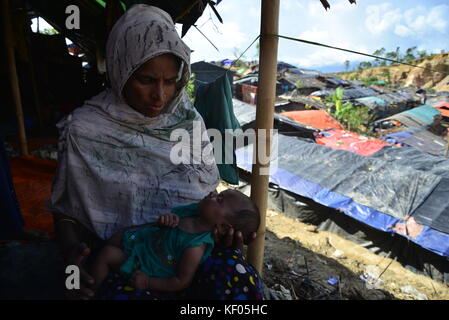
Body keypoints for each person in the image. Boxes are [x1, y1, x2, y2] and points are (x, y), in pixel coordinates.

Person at [48, 4, 263, 300]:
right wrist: (73, 254)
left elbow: (203, 197)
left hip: (187, 254)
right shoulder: (85, 130)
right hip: (126, 255)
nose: (160, 95)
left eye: (170, 81)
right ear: (121, 69)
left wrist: (222, 239)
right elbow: (66, 212)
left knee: (240, 281)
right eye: (146, 80)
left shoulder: (189, 123)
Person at [89, 189, 259, 296]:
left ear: (223, 227)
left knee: (107, 254)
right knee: (115, 238)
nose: (213, 194)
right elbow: (167, 227)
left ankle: (91, 291)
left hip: (145, 267)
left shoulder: (196, 247)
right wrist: (166, 221)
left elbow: (181, 281)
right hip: (144, 245)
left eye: (219, 199)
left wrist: (148, 282)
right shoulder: (193, 211)